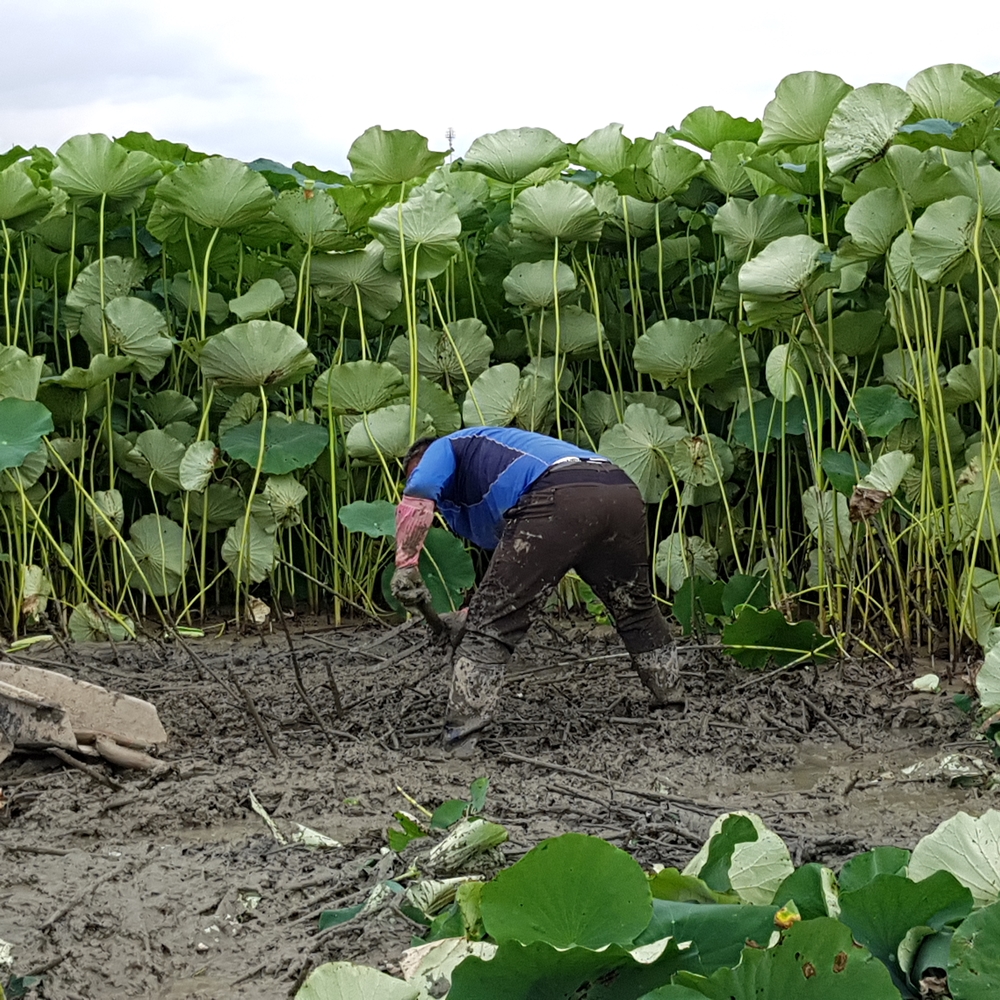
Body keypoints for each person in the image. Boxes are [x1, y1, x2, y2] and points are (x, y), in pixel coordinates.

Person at [390, 426, 681, 745]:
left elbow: (423, 484)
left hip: (560, 491)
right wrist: (471, 613)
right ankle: (672, 706)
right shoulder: (495, 469)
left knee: (489, 630)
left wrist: (406, 564)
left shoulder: (447, 446)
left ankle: (460, 741)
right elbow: (531, 572)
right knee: (635, 609)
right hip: (619, 488)